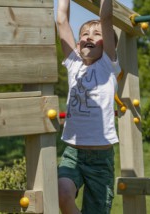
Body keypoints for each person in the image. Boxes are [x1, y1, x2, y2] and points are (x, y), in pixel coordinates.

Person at [57, 0, 121, 213]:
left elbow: (106, 18)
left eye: (97, 34)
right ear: (77, 45)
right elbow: (61, 21)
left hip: (100, 159)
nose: (89, 37)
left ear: (108, 46)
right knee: (62, 194)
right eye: (85, 34)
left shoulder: (107, 65)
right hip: (73, 152)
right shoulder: (73, 64)